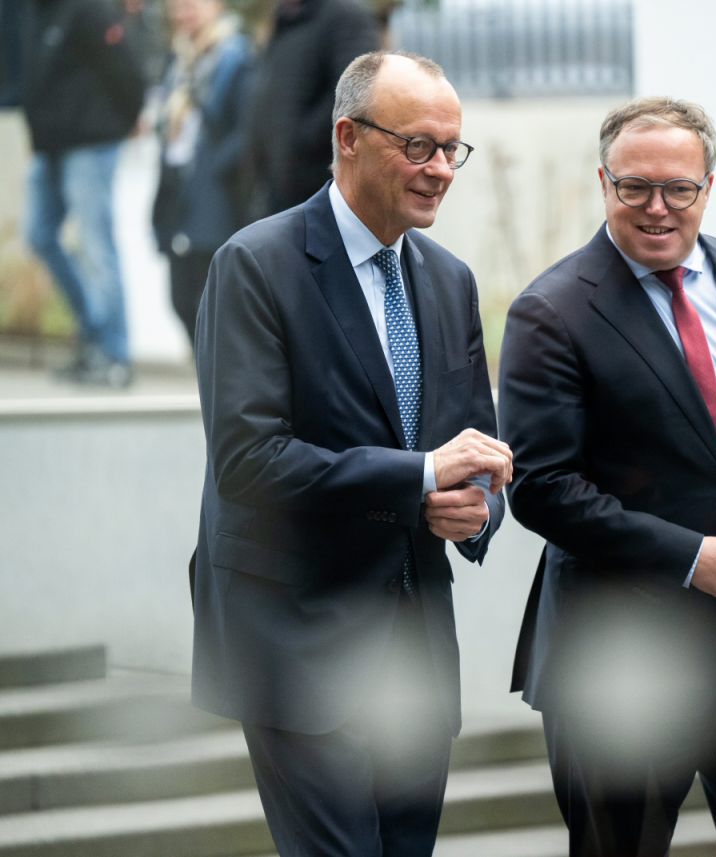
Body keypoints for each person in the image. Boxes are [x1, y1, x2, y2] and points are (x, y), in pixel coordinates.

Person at [499, 97, 716, 857]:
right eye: (635, 186)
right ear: (603, 182)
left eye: (678, 188)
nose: (658, 207)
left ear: (707, 188)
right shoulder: (550, 312)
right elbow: (542, 487)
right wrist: (691, 557)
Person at [191, 51, 511, 857]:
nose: (440, 169)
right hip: (298, 646)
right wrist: (418, 476)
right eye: (419, 146)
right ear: (348, 137)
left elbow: (472, 449)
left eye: (452, 149)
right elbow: (250, 462)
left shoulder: (450, 280)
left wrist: (475, 509)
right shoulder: (256, 265)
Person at [20, 0, 148, 387]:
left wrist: (122, 122)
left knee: (97, 245)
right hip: (50, 145)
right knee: (39, 235)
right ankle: (93, 333)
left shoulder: (90, 9)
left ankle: (114, 354)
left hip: (91, 143)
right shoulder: (38, 14)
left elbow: (128, 71)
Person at [152, 0, 253, 347]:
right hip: (178, 189)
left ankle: (219, 385)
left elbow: (248, 129)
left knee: (212, 297)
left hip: (214, 194)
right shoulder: (178, 58)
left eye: (192, 4)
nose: (184, 12)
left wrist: (216, 168)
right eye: (177, 6)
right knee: (180, 295)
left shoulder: (235, 56)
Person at [245, 0, 379, 218]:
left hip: (322, 192)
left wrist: (300, 143)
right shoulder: (284, 20)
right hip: (279, 189)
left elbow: (356, 95)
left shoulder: (345, 16)